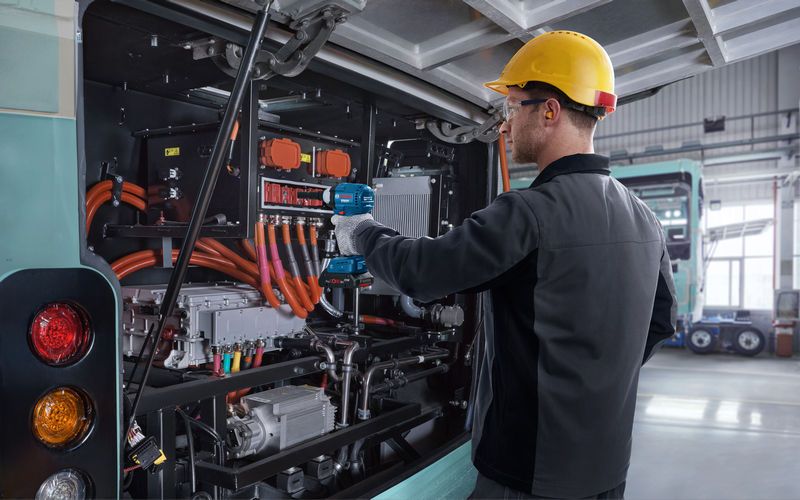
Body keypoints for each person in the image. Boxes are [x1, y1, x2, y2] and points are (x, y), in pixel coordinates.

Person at [332, 30, 676, 500]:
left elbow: (422, 272)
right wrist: (593, 377)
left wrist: (362, 232)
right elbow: (659, 324)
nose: (505, 126)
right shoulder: (645, 218)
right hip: (607, 466)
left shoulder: (529, 213)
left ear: (549, 110)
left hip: (529, 469)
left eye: (513, 108)